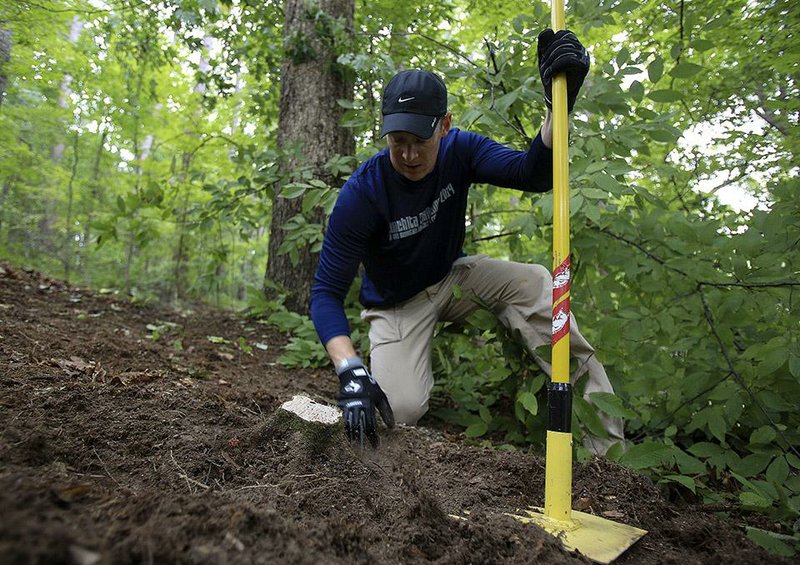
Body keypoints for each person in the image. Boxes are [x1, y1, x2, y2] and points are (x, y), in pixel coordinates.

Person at [310, 29, 624, 454]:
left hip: (452, 278)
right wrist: (349, 370)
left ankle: (609, 450)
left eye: (420, 141)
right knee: (397, 410)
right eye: (397, 142)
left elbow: (532, 174)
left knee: (535, 282)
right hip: (396, 305)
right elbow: (326, 293)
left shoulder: (461, 150)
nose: (408, 155)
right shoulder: (362, 194)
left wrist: (557, 107)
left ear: (445, 125)